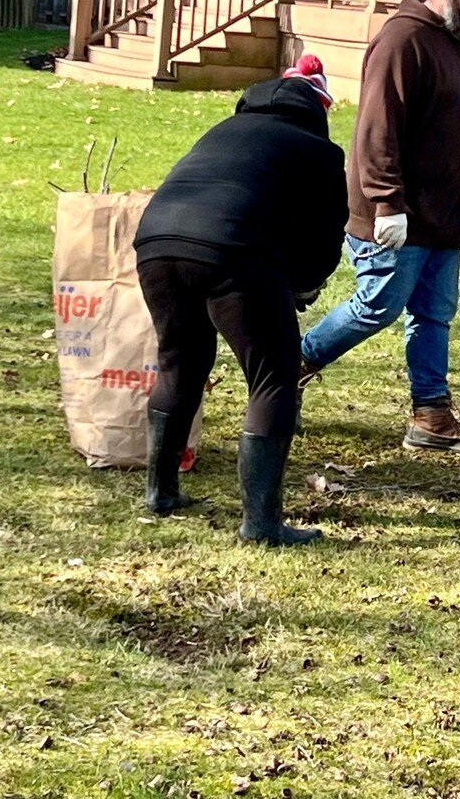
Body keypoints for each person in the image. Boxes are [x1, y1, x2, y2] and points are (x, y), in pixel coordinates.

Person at [299, 0, 460, 460]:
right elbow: (377, 131)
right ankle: (288, 366)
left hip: (445, 214)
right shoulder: (402, 40)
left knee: (434, 312)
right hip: (399, 212)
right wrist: (387, 203)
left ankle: (431, 414)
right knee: (378, 306)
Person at [133, 56, 347, 545]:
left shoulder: (221, 130)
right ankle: (261, 524)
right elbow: (324, 239)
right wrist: (302, 286)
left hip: (156, 241)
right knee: (274, 376)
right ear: (319, 110)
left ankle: (160, 492)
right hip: (233, 252)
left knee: (179, 362)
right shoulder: (318, 150)